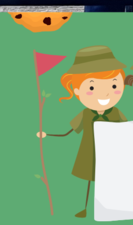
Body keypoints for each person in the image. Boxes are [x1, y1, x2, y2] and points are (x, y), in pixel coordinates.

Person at [37, 46, 127, 218]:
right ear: (76, 90)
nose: (105, 93)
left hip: (113, 153)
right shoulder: (86, 113)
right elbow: (68, 132)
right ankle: (84, 207)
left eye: (114, 85)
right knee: (88, 182)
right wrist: (47, 135)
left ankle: (112, 205)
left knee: (112, 180)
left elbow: (127, 131)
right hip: (89, 153)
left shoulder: (116, 113)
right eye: (92, 88)